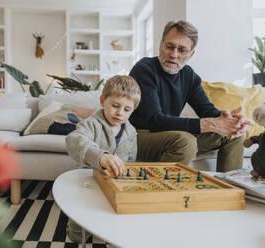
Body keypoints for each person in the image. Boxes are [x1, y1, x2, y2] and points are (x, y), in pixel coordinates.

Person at [129, 20, 253, 173]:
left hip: (171, 135)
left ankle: (230, 191)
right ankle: (160, 194)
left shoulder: (189, 76)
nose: (174, 54)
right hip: (139, 135)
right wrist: (209, 124)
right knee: (185, 141)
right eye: (170, 46)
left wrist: (230, 121)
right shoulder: (144, 69)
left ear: (191, 54)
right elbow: (154, 121)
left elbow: (207, 110)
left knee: (234, 135)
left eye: (182, 50)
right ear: (161, 45)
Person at [65, 75, 141, 242]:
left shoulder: (131, 131)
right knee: (80, 222)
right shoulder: (91, 124)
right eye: (115, 106)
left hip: (115, 181)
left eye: (127, 109)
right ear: (102, 101)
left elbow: (131, 158)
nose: (120, 113)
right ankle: (76, 234)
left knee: (109, 211)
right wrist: (100, 157)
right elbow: (74, 140)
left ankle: (107, 230)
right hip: (87, 179)